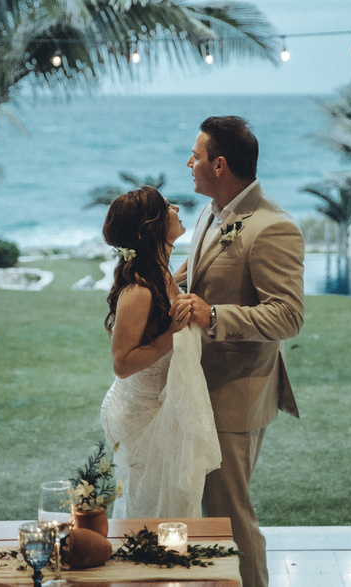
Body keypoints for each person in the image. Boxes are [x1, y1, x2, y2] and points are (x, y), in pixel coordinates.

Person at [172, 116, 304, 587]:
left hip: (236, 395)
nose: (189, 163)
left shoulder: (273, 227)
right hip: (198, 385)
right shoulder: (211, 211)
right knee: (208, 513)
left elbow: (288, 315)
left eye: (196, 155)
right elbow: (195, 272)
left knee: (230, 517)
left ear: (220, 164)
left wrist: (213, 317)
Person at [99, 186, 221, 519]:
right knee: (150, 514)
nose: (177, 208)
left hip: (164, 411)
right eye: (167, 206)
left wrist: (181, 276)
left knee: (171, 510)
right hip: (146, 420)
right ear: (149, 228)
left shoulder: (161, 275)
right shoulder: (139, 290)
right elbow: (122, 364)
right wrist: (172, 335)